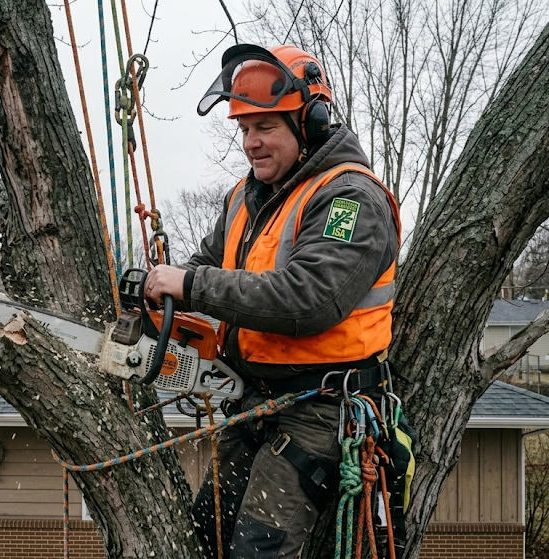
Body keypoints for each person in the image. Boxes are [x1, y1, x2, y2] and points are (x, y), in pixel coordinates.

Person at [144, 44, 401, 558]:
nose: (251, 143)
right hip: (252, 398)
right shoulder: (246, 195)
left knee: (257, 549)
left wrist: (190, 287)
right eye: (243, 129)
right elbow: (202, 269)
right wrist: (155, 304)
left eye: (265, 128)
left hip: (320, 409)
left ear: (310, 122)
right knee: (203, 535)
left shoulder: (348, 199)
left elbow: (309, 300)